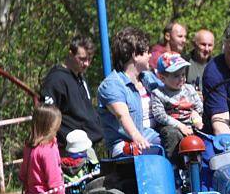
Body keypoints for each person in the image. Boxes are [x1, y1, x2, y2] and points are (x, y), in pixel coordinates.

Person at [97, 27, 162, 157]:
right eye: (147, 52)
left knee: (182, 141)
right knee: (159, 145)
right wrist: (136, 136)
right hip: (126, 144)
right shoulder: (112, 85)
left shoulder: (148, 77)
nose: (150, 55)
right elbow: (122, 116)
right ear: (135, 55)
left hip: (153, 135)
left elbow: (167, 96)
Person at [40, 35, 103, 150]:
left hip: (87, 146)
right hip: (69, 151)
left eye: (89, 59)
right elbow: (47, 116)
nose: (87, 64)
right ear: (70, 54)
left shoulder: (80, 78)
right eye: (82, 59)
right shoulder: (56, 79)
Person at [151, 53, 204, 159]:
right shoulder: (158, 93)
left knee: (204, 131)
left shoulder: (189, 89)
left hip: (191, 123)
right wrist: (180, 126)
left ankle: (200, 164)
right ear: (162, 78)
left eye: (183, 74)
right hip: (172, 126)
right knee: (172, 134)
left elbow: (199, 106)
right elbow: (159, 115)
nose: (181, 79)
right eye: (176, 76)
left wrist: (196, 115)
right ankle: (175, 165)